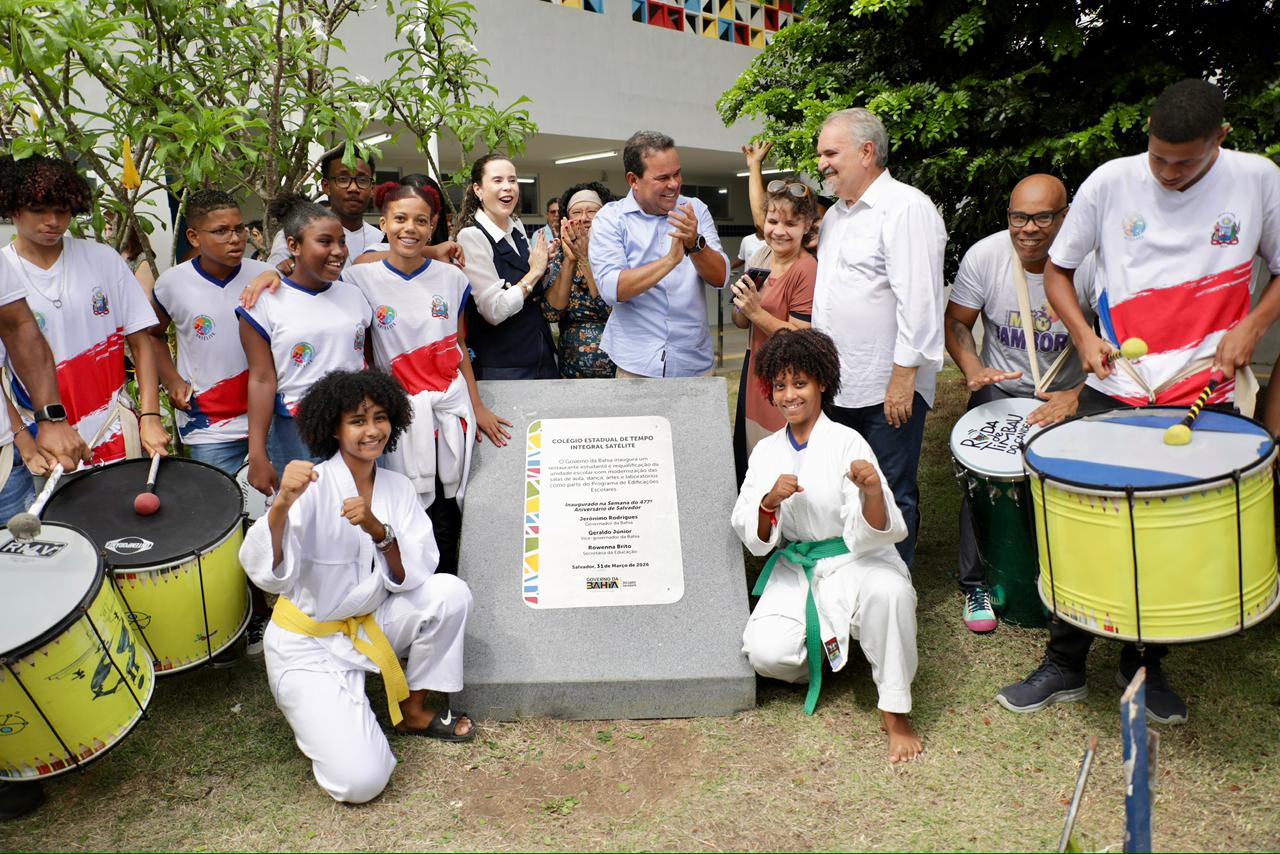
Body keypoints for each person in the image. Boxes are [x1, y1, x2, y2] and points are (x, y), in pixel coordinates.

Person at [998, 79, 1280, 725]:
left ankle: (1145, 669)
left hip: (1205, 390)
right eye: (1158, 156)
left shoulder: (1259, 180)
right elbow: (1058, 271)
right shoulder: (1110, 182)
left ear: (1221, 140)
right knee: (1081, 520)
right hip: (1117, 383)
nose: (1168, 172)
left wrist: (1251, 328)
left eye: (1184, 161)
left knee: (1163, 540)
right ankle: (1064, 662)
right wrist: (1084, 335)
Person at [238, 368, 475, 804]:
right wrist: (281, 506)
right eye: (358, 420)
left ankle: (413, 710)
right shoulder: (310, 486)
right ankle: (327, 709)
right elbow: (268, 571)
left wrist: (377, 529)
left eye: (380, 417)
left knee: (448, 593)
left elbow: (416, 572)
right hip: (308, 644)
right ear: (334, 427)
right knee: (361, 781)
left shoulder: (398, 488)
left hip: (369, 623)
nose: (373, 431)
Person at [735, 329, 922, 763]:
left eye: (799, 383)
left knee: (890, 593)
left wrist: (872, 491)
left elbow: (879, 528)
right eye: (780, 386)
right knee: (766, 653)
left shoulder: (848, 443)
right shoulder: (765, 451)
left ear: (821, 383)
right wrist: (769, 502)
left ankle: (894, 711)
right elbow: (748, 523)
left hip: (856, 559)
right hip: (799, 566)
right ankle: (833, 649)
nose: (789, 395)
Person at [944, 174, 1095, 633]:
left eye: (1042, 217)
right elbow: (958, 322)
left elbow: (1114, 341)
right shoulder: (986, 256)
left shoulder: (1092, 264)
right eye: (1018, 217)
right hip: (1001, 388)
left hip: (1065, 395)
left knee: (1069, 492)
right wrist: (972, 368)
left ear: (1065, 217)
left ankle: (1064, 584)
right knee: (981, 482)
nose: (1028, 228)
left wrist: (1079, 394)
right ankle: (977, 583)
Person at [344, 181, 511, 573]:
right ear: (383, 223)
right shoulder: (360, 279)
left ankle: (451, 584)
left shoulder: (451, 278)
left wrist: (477, 404)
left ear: (434, 224)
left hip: (448, 412)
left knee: (449, 509)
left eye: (421, 221)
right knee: (404, 508)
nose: (410, 228)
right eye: (399, 219)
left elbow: (458, 345)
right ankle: (410, 581)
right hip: (399, 416)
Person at [812, 108, 947, 569]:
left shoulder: (907, 207)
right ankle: (851, 581)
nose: (822, 163)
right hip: (840, 385)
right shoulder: (835, 217)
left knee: (889, 488)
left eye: (831, 152)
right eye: (820, 154)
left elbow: (921, 301)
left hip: (887, 387)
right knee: (846, 484)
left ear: (867, 152)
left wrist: (903, 376)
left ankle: (892, 588)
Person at [0, 154, 168, 465]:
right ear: (12, 208)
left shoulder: (103, 259)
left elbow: (141, 342)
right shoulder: (4, 271)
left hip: (116, 430)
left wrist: (150, 416)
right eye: (38, 211)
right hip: (47, 444)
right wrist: (24, 438)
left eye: (62, 211)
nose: (52, 222)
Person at [237, 194, 371, 498]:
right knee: (305, 518)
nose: (338, 252)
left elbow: (367, 361)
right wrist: (257, 452)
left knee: (361, 512)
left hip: (357, 425)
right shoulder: (263, 304)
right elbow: (261, 379)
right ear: (294, 246)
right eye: (325, 242)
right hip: (298, 433)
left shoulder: (353, 295)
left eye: (342, 242)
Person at [150, 189, 273, 474]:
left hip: (268, 419)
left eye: (239, 228)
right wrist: (172, 381)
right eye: (221, 231)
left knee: (275, 511)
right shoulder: (173, 283)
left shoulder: (265, 276)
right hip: (209, 426)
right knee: (222, 512)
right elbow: (151, 334)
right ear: (194, 237)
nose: (235, 239)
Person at [588, 131, 730, 378]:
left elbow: (721, 278)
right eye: (662, 177)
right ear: (634, 180)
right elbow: (612, 289)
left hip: (693, 360)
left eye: (677, 174)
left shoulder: (694, 209)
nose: (674, 184)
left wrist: (696, 245)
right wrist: (670, 260)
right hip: (636, 365)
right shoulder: (611, 219)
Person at [729, 179, 819, 484]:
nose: (779, 231)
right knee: (750, 460)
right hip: (754, 367)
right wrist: (741, 303)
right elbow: (741, 322)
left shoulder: (806, 269)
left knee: (780, 465)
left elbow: (799, 336)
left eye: (790, 223)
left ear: (807, 225)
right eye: (772, 221)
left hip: (787, 379)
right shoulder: (760, 257)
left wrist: (755, 310)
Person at [454, 154, 559, 380]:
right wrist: (535, 271)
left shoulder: (516, 225)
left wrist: (543, 261)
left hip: (540, 354)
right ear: (478, 190)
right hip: (505, 367)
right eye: (498, 180)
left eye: (512, 180)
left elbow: (530, 282)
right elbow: (494, 310)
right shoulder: (472, 236)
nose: (508, 187)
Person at [542, 182, 618, 378]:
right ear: (566, 219)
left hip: (617, 369)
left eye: (592, 211)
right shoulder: (559, 257)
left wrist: (585, 260)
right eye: (577, 212)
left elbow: (611, 310)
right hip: (571, 372)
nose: (584, 218)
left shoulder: (617, 255)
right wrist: (571, 259)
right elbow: (552, 313)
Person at [266, 148, 383, 270]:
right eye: (343, 179)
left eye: (362, 180)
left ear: (372, 189)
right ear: (326, 187)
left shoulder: (382, 240)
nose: (353, 188)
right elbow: (273, 277)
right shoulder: (296, 233)